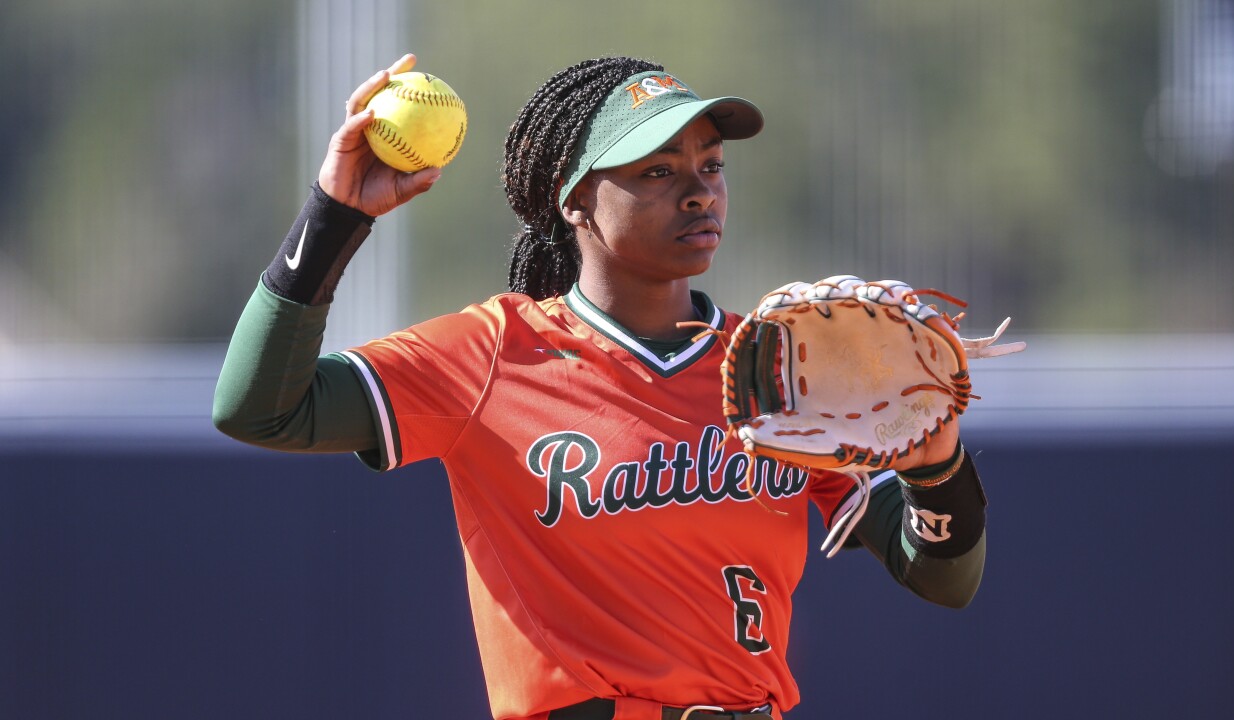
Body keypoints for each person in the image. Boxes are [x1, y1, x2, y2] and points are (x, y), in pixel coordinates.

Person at [213, 53, 988, 720]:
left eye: (710, 165)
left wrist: (938, 467)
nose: (699, 191)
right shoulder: (495, 354)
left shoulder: (779, 371)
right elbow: (261, 409)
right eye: (657, 170)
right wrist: (335, 216)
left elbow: (941, 576)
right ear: (574, 196)